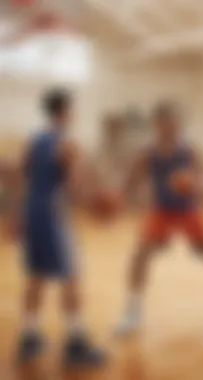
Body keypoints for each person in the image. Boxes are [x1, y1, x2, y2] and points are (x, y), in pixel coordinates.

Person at [116, 103, 203, 334]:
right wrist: (119, 200)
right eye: (165, 123)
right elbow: (129, 183)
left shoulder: (189, 151)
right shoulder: (147, 154)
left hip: (189, 209)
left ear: (179, 125)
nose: (171, 127)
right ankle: (133, 312)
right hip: (162, 210)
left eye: (174, 123)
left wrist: (194, 183)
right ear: (157, 125)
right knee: (141, 254)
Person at [16, 88, 106, 367]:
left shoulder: (34, 140)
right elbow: (76, 185)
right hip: (53, 214)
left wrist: (16, 216)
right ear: (65, 111)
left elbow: (24, 175)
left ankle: (29, 336)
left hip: (32, 211)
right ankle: (75, 343)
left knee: (36, 274)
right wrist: (98, 204)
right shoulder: (66, 143)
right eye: (72, 108)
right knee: (70, 275)